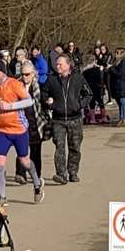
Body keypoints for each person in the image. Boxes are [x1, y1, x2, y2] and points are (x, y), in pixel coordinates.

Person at [0, 59, 43, 202]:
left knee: (24, 161)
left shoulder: (14, 84)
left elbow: (29, 101)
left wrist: (10, 106)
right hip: (1, 130)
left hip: (18, 129)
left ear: (4, 72)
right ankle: (2, 196)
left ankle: (37, 184)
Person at [43, 53, 90, 183]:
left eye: (60, 64)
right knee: (60, 147)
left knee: (75, 147)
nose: (57, 66)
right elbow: (44, 94)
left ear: (68, 65)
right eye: (56, 64)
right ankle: (61, 174)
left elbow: (88, 94)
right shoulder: (51, 80)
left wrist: (79, 104)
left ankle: (73, 172)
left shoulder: (78, 78)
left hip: (75, 119)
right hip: (58, 119)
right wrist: (48, 101)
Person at [16, 60, 46, 187]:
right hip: (21, 121)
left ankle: (37, 174)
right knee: (21, 149)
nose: (24, 77)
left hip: (35, 122)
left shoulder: (39, 86)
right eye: (23, 74)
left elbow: (42, 103)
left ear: (33, 74)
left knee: (35, 150)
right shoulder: (17, 85)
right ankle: (21, 174)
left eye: (27, 74)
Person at [107, 51, 125, 124]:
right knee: (120, 103)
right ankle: (121, 118)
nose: (115, 54)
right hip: (116, 86)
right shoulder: (116, 61)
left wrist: (111, 68)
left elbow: (120, 74)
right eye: (115, 53)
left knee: (123, 102)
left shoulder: (123, 61)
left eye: (117, 53)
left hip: (121, 84)